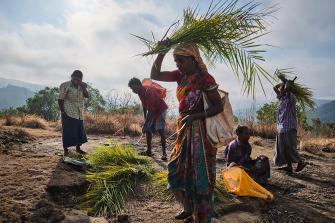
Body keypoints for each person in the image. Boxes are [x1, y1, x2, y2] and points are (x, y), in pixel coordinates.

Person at [151, 40, 223, 223]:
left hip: (201, 134)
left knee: (200, 175)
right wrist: (162, 51)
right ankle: (188, 208)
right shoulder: (179, 76)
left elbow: (218, 106)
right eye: (176, 62)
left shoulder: (206, 79)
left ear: (193, 59)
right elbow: (155, 74)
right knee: (175, 170)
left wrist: (197, 116)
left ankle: (201, 216)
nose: (178, 65)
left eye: (181, 61)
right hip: (183, 130)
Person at [128, 77, 168, 161]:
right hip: (152, 110)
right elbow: (144, 106)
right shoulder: (139, 92)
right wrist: (146, 119)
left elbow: (151, 109)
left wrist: (145, 124)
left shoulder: (148, 91)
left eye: (133, 88)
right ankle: (149, 151)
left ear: (138, 85)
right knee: (148, 130)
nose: (132, 90)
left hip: (160, 110)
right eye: (131, 89)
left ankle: (164, 153)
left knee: (160, 130)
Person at [273, 81, 306, 173]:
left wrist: (287, 83)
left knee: (290, 147)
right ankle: (289, 166)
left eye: (282, 88)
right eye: (281, 89)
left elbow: (287, 89)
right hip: (281, 128)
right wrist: (282, 82)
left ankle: (301, 162)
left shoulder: (291, 98)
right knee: (283, 148)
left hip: (289, 127)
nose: (281, 90)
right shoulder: (281, 98)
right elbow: (274, 88)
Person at [58, 70, 89, 156]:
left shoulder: (83, 85)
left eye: (79, 80)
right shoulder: (65, 85)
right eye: (75, 79)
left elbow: (87, 95)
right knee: (68, 131)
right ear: (72, 77)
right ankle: (66, 150)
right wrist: (63, 111)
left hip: (79, 112)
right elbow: (60, 99)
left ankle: (78, 149)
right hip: (68, 112)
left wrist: (82, 86)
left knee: (79, 131)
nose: (77, 81)